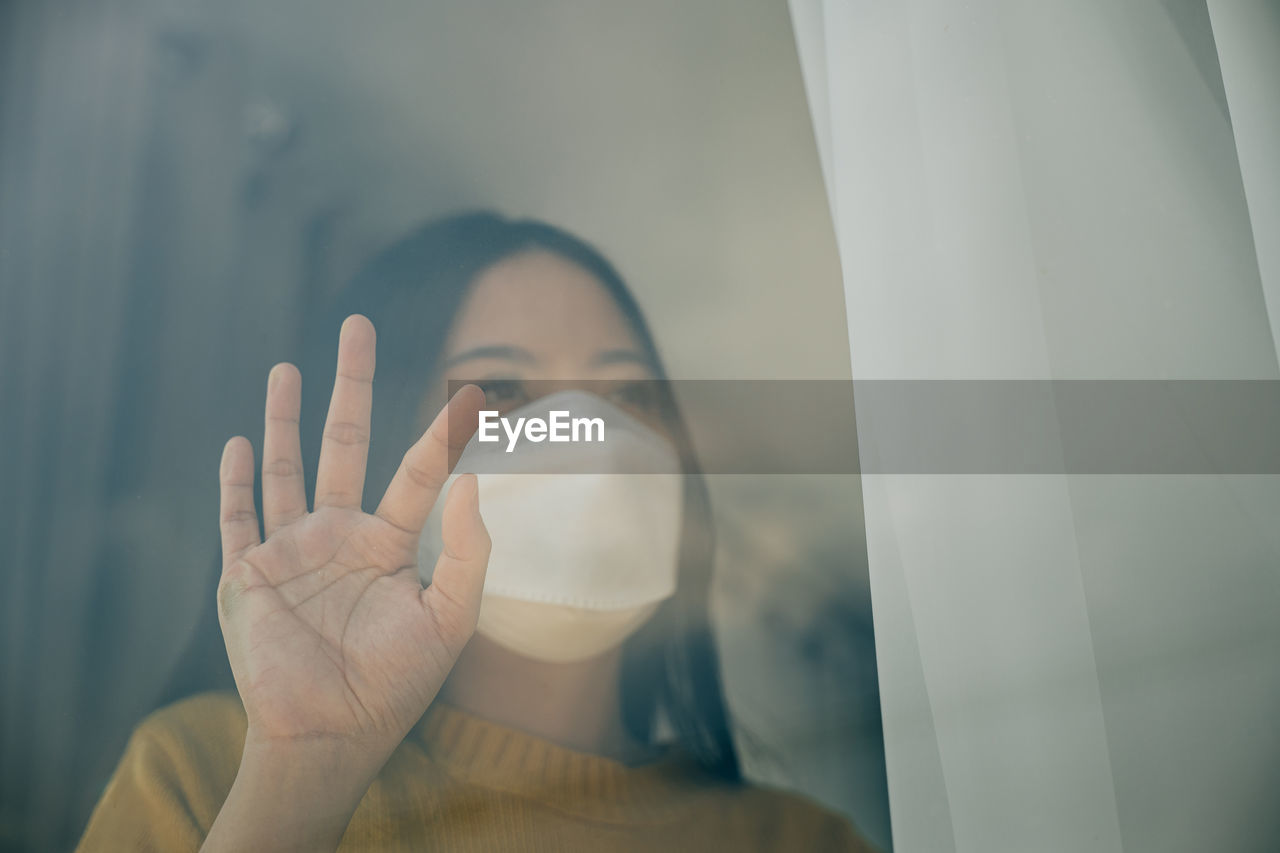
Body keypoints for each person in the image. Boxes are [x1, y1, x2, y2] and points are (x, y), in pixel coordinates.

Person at [77, 212, 879, 852]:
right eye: (502, 387)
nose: (585, 434)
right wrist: (304, 772)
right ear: (390, 446)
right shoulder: (209, 774)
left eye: (629, 391)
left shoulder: (799, 841)